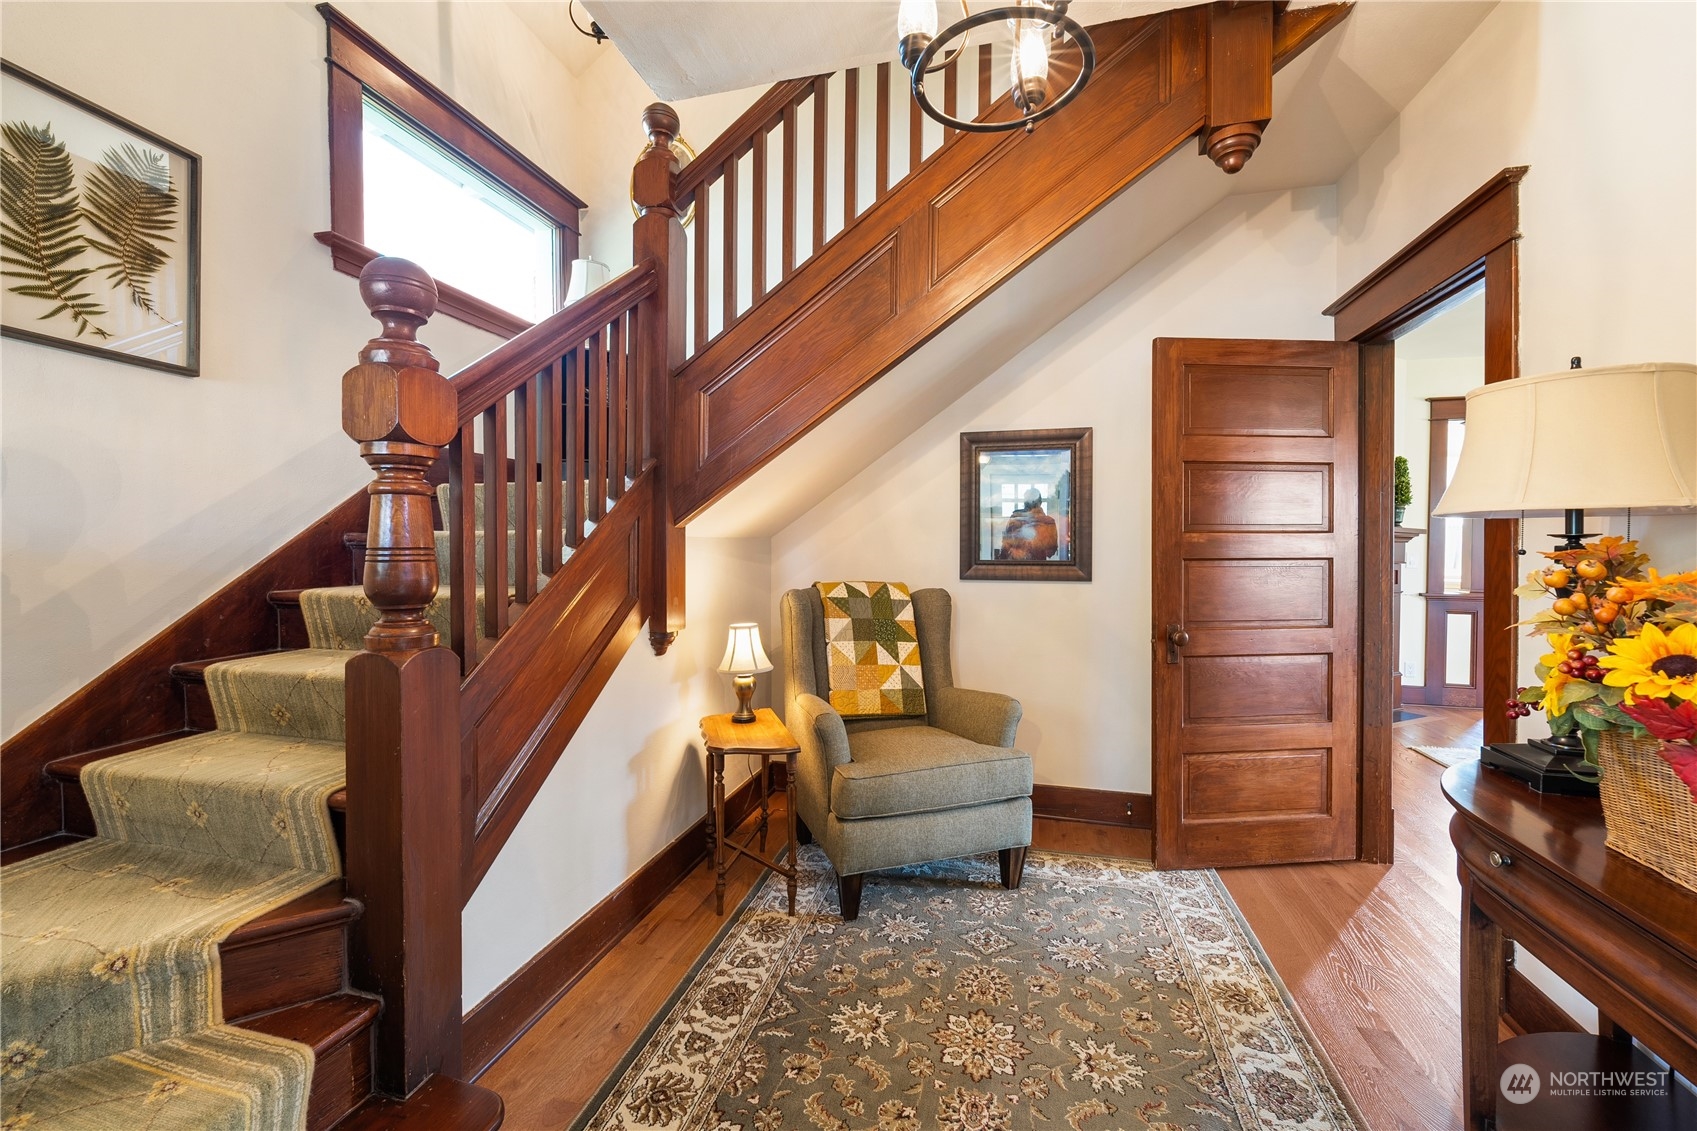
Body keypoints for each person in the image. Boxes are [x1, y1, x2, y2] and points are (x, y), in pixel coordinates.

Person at [998, 488, 1058, 561]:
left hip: (1017, 566)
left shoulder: (1015, 519)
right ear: (1040, 502)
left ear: (1024, 503)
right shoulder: (1048, 522)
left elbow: (1005, 547)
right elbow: (1050, 552)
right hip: (1038, 567)